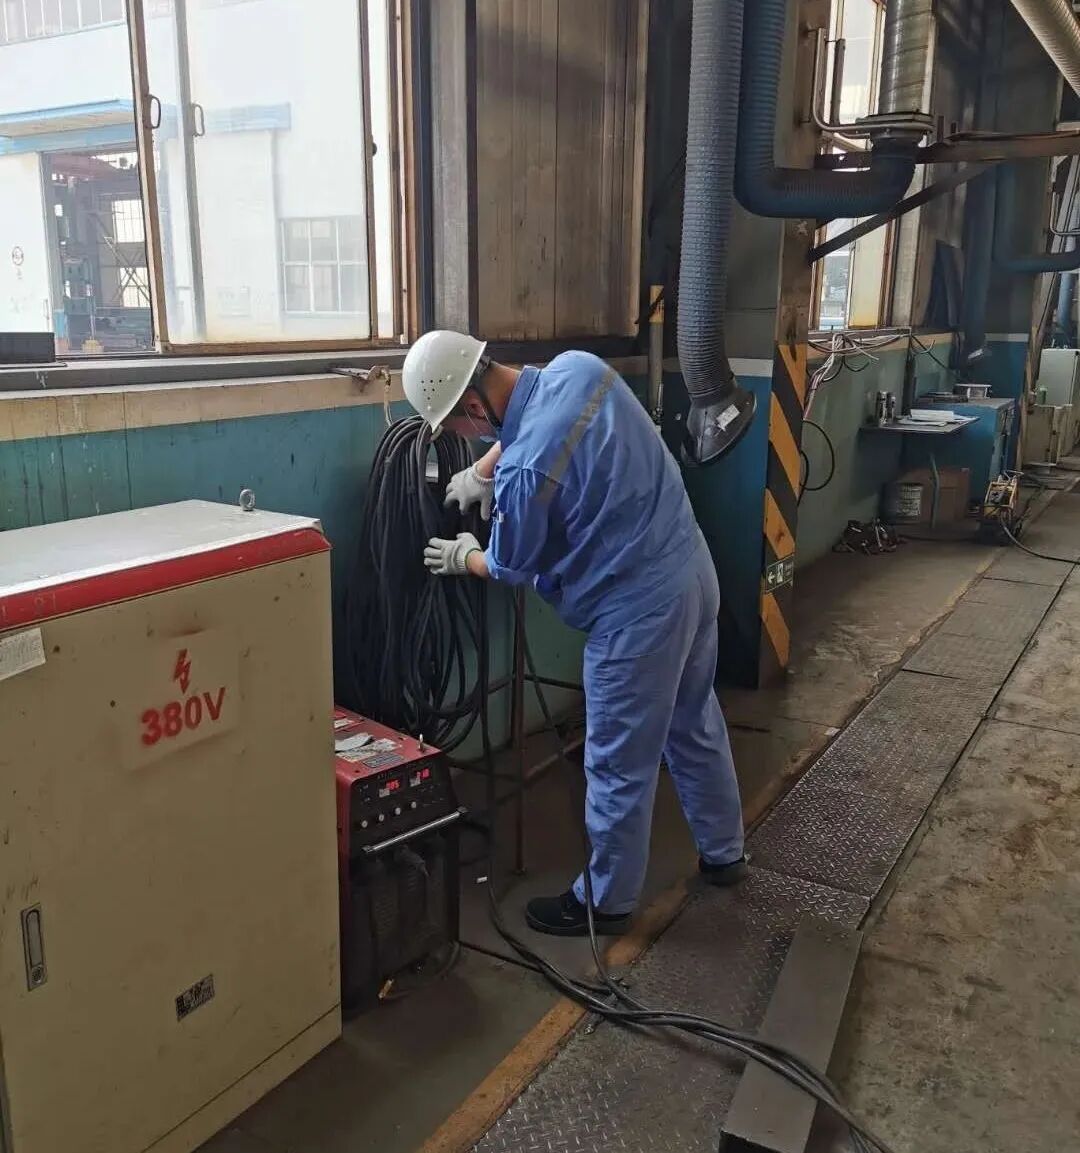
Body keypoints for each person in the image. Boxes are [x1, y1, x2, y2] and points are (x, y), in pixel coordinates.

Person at [402, 329, 746, 937]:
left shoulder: (525, 471)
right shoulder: (580, 369)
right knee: (693, 721)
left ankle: (606, 902)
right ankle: (725, 853)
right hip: (692, 571)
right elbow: (533, 425)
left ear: (473, 406)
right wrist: (483, 469)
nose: (466, 436)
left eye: (460, 427)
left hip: (637, 615)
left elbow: (510, 564)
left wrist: (463, 555)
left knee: (617, 763)